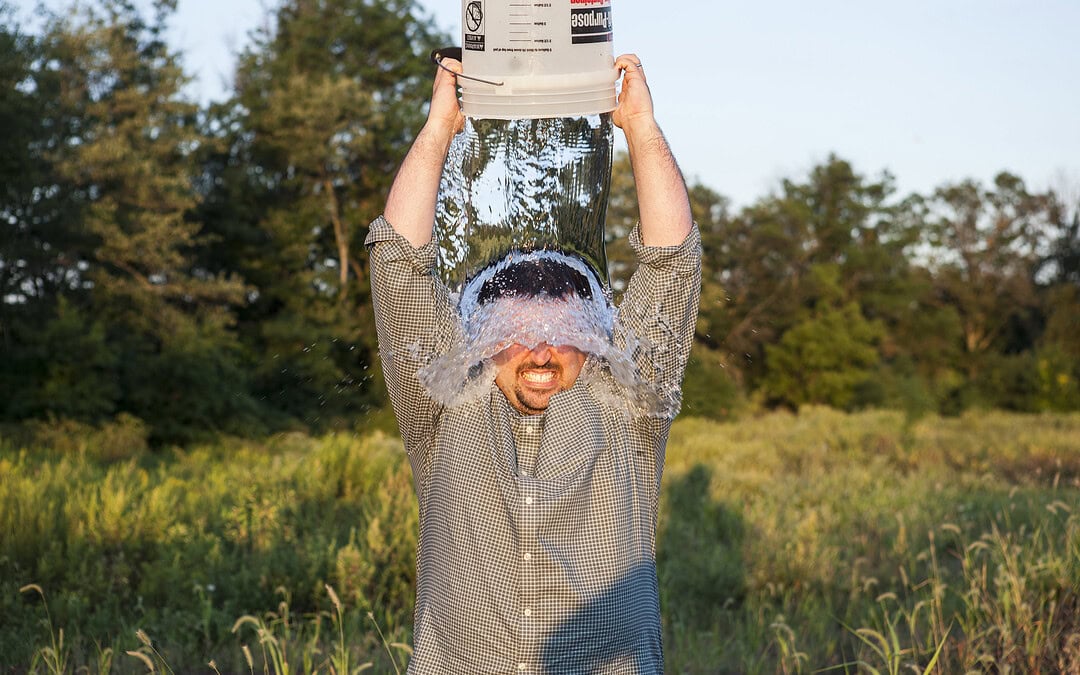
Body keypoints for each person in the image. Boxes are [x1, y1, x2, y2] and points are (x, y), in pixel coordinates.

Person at [365, 53, 701, 674]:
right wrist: (439, 130)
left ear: (594, 337)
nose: (540, 351)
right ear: (481, 340)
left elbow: (671, 264)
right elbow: (397, 266)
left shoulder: (629, 411)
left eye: (560, 332)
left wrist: (642, 132)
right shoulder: (441, 411)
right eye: (516, 333)